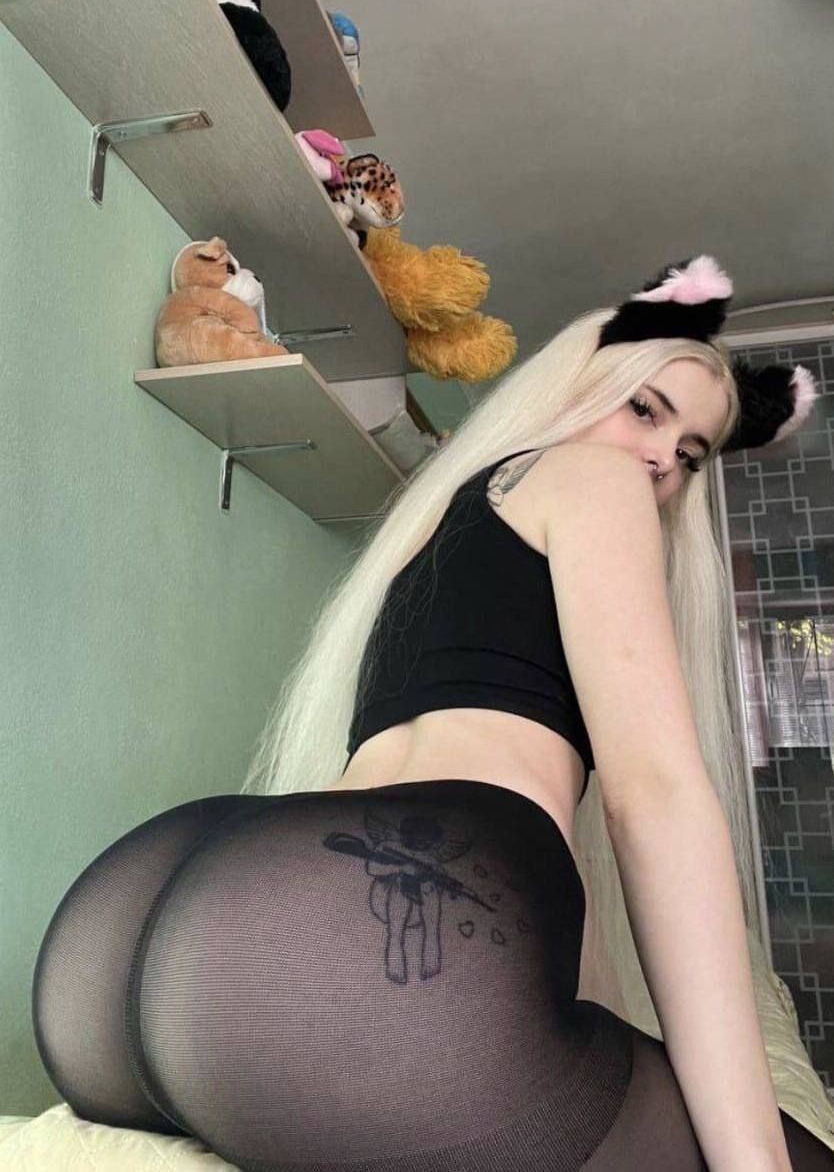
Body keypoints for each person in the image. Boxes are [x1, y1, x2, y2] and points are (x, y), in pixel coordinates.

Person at [32, 256, 832, 1171]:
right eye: (645, 409)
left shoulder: (430, 540)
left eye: (690, 455)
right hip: (370, 941)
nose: (659, 459)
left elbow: (538, 922)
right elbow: (653, 798)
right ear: (577, 385)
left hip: (127, 932)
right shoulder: (593, 479)